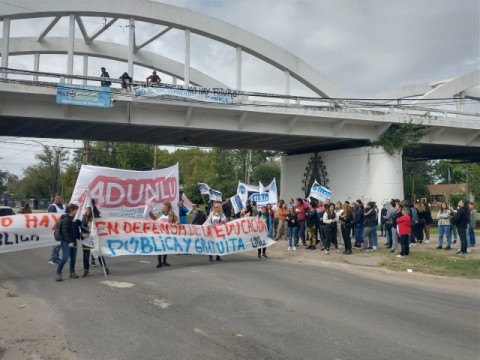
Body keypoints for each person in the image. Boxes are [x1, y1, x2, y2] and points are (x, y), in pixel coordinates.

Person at [81, 207, 109, 277]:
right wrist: (88, 229)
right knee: (86, 255)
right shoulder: (84, 217)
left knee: (98, 254)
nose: (86, 211)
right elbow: (82, 226)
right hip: (86, 239)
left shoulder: (96, 218)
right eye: (86, 209)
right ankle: (86, 270)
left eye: (88, 209)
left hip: (95, 239)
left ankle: (104, 267)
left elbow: (102, 227)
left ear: (91, 210)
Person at [55, 204, 81, 281]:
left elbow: (82, 224)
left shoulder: (75, 219)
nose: (77, 211)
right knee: (65, 258)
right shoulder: (66, 219)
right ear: (71, 210)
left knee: (73, 258)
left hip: (74, 241)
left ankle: (72, 272)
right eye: (76, 210)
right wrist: (69, 241)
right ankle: (58, 273)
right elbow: (65, 232)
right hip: (66, 242)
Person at [149, 202, 178, 267]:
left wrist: (176, 223)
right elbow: (155, 218)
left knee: (165, 248)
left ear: (168, 208)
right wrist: (150, 213)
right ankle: (159, 262)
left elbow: (177, 221)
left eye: (164, 206)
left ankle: (164, 261)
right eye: (163, 206)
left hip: (167, 234)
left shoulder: (172, 214)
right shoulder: (160, 213)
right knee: (159, 247)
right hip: (159, 233)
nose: (163, 207)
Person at [48, 193, 66, 265]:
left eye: (60, 198)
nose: (58, 199)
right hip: (56, 228)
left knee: (60, 244)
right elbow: (51, 217)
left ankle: (56, 257)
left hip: (63, 228)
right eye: (57, 198)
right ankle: (52, 258)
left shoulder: (64, 206)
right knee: (55, 243)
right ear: (54, 199)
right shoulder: (52, 207)